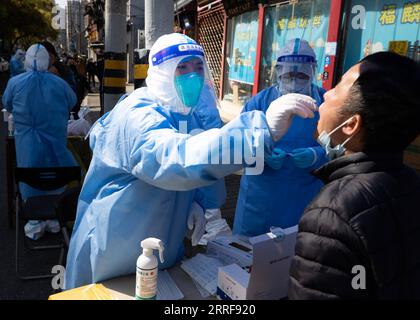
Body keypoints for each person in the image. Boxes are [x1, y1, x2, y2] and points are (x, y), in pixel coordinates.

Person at [65, 33, 317, 289]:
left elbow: (201, 159)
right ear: (162, 71)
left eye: (198, 67)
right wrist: (258, 131)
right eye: (181, 67)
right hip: (114, 253)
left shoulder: (182, 114)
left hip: (159, 251)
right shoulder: (137, 114)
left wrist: (193, 203)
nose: (193, 76)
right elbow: (175, 159)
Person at [288, 52, 420, 299]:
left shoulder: (331, 214)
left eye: (337, 88)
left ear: (350, 124)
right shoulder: (410, 181)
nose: (326, 94)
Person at [233, 39, 328, 237]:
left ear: (312, 71)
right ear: (278, 71)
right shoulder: (259, 101)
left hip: (304, 193)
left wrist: (317, 154)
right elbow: (237, 142)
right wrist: (261, 154)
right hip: (260, 195)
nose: (294, 81)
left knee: (297, 249)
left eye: (301, 75)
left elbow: (340, 146)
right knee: (249, 253)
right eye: (288, 75)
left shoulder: (324, 103)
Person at [2, 44, 78, 239]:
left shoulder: (15, 83)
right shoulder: (59, 84)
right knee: (56, 176)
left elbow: (7, 103)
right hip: (56, 147)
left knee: (29, 175)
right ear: (47, 61)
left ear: (26, 60)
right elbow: (72, 101)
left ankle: (34, 220)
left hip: (26, 146)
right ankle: (55, 216)